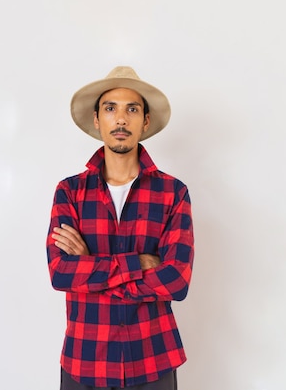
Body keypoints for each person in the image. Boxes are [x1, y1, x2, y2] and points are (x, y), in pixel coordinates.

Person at [46, 66, 195, 390]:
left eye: (132, 108)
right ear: (98, 119)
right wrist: (141, 262)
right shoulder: (69, 191)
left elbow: (177, 281)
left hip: (153, 359)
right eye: (110, 108)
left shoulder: (173, 193)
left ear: (145, 121)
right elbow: (61, 273)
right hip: (85, 360)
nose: (121, 119)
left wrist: (90, 264)